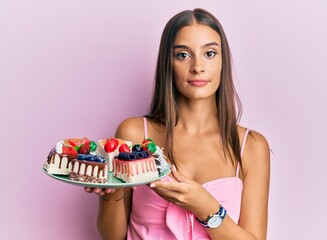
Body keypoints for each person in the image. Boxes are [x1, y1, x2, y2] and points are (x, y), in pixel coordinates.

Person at [85, 8, 270, 240]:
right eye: (183, 55)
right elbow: (113, 237)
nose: (198, 67)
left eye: (210, 53)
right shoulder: (134, 133)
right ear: (168, 64)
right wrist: (109, 194)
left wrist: (206, 208)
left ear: (224, 61)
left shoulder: (251, 146)